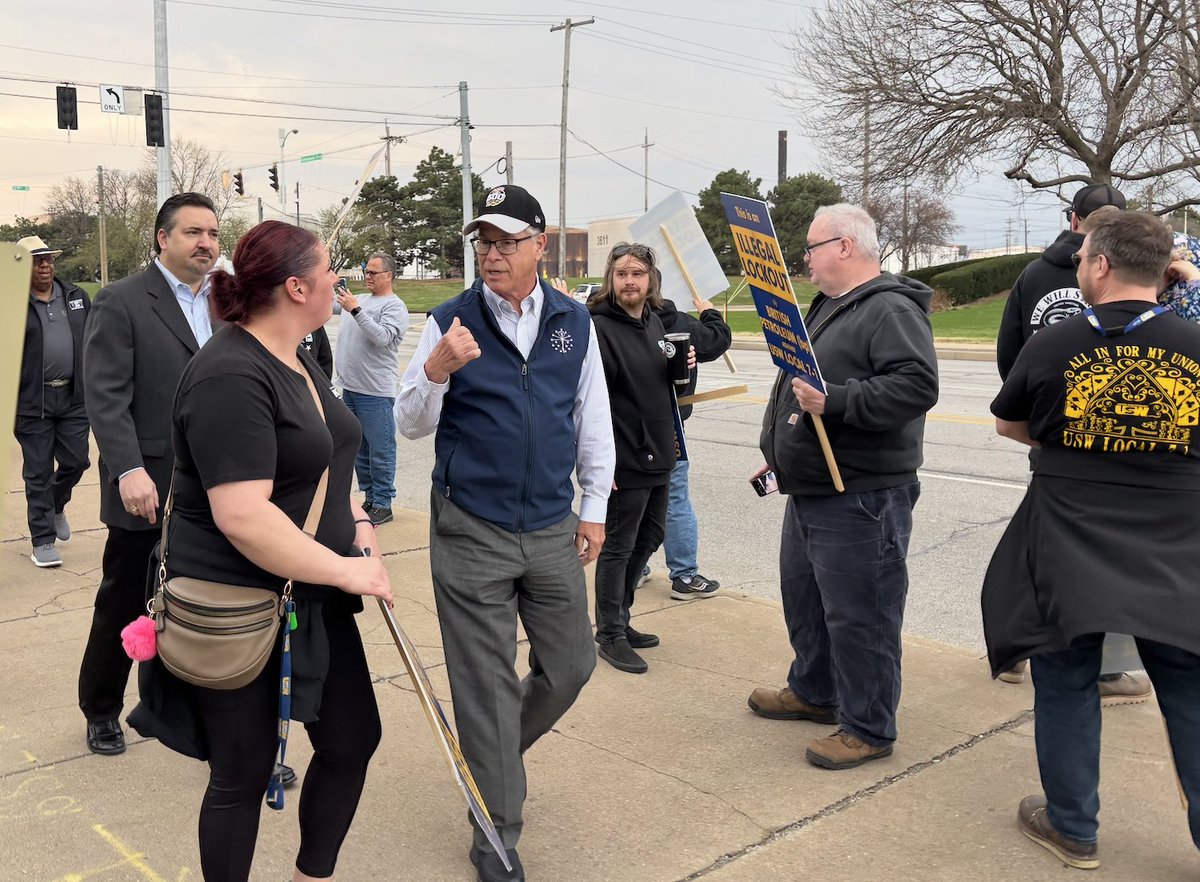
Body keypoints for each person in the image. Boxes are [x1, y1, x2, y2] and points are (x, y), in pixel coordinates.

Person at [128, 220, 393, 882]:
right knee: (241, 775)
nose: (342, 279)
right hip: (239, 605)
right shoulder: (228, 373)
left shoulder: (298, 355)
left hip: (312, 595)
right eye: (332, 269)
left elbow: (328, 459)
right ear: (298, 285)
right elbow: (243, 516)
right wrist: (346, 570)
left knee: (351, 739)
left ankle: (312, 873)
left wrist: (358, 526)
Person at [396, 183, 613, 882]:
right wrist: (435, 371)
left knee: (572, 665)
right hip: (472, 527)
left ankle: (486, 756)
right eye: (482, 243)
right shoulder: (451, 320)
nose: (491, 255)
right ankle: (496, 829)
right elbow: (408, 421)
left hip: (551, 523)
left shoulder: (574, 324)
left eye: (506, 242)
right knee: (484, 684)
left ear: (540, 247)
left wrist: (595, 505)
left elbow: (591, 420)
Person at [983, 211, 1200, 869]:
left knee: (1066, 674)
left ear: (1100, 265)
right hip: (1179, 543)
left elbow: (1010, 425)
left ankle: (1074, 827)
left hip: (1070, 535)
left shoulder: (1053, 345)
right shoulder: (1194, 345)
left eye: (1082, 259)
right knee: (1191, 689)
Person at [747, 204, 939, 770]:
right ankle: (814, 691)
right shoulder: (829, 308)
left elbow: (916, 386)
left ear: (846, 247)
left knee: (862, 615)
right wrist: (776, 456)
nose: (803, 259)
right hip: (811, 486)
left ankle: (869, 726)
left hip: (862, 494)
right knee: (806, 601)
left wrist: (839, 401)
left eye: (811, 248)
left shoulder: (889, 309)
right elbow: (795, 387)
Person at [994, 184, 1153, 704]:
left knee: (1046, 547)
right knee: (1110, 556)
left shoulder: (1033, 274)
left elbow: (1010, 351)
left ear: (1073, 219)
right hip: (1134, 450)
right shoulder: (1143, 280)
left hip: (1052, 436)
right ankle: (1103, 667)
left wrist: (1037, 411)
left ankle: (1023, 648)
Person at [78, 193, 221, 758]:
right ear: (163, 238)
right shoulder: (122, 301)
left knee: (202, 607)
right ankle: (101, 708)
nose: (206, 242)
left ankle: (200, 720)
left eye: (212, 232)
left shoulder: (227, 302)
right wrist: (127, 469)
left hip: (217, 487)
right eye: (192, 233)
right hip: (148, 486)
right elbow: (105, 396)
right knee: (126, 601)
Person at [588, 244, 685, 674]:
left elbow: (669, 384)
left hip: (660, 450)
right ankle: (609, 632)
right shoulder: (598, 328)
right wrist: (599, 462)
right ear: (611, 279)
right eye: (623, 273)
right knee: (618, 546)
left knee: (651, 537)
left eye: (639, 273)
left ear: (651, 280)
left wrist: (687, 366)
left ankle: (622, 619)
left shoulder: (654, 324)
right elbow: (590, 402)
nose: (631, 281)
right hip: (624, 455)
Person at [650, 284, 732, 600]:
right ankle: (684, 575)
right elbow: (719, 338)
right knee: (675, 498)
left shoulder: (615, 322)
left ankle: (635, 570)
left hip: (628, 425)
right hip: (670, 423)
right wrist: (709, 310)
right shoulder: (681, 322)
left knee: (633, 500)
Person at [14, 235, 91, 569]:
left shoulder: (76, 296)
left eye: (48, 259)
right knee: (38, 472)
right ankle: (43, 540)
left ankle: (57, 504)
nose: (45, 265)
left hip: (74, 397)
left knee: (77, 462)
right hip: (32, 401)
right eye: (36, 260)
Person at [333, 253, 409, 525]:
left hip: (375, 392)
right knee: (359, 450)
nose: (368, 276)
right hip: (349, 389)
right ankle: (369, 496)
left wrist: (356, 310)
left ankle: (383, 503)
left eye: (374, 273)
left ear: (388, 275)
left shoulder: (394, 306)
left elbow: (382, 338)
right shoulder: (360, 300)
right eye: (367, 271)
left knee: (380, 449)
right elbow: (322, 305)